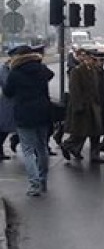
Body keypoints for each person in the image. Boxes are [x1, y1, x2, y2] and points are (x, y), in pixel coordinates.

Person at [3, 44, 54, 196]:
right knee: (42, 147)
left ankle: (34, 184)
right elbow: (50, 75)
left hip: (24, 114)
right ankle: (43, 180)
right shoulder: (41, 69)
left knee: (28, 150)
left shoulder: (15, 72)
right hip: (43, 112)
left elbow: (8, 92)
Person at [62, 48, 103, 164]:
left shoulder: (93, 71)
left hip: (94, 106)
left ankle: (95, 155)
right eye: (92, 59)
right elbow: (75, 90)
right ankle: (67, 146)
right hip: (83, 107)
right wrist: (78, 106)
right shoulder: (77, 71)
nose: (94, 62)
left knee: (96, 132)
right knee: (79, 133)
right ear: (87, 59)